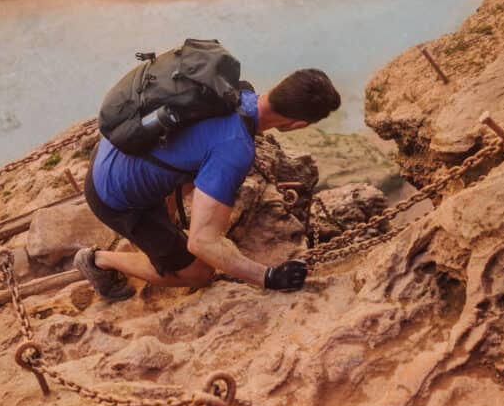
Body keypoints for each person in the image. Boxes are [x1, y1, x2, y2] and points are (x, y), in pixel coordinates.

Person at [75, 68, 340, 300]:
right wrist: (268, 276)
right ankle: (98, 261)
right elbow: (202, 243)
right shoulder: (234, 148)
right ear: (297, 124)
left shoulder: (233, 89)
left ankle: (160, 233)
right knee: (200, 273)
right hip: (113, 197)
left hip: (115, 148)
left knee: (195, 165)